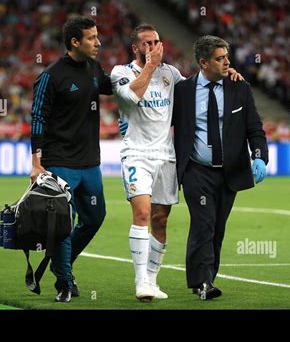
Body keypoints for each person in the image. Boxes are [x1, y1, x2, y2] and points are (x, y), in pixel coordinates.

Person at [111, 25, 243, 302]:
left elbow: (197, 88)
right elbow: (130, 97)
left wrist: (224, 74)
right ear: (135, 47)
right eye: (147, 43)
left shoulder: (171, 74)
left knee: (160, 220)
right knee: (143, 214)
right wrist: (150, 66)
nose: (154, 46)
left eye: (157, 41)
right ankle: (140, 282)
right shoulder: (120, 73)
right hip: (136, 154)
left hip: (167, 157)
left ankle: (152, 281)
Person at [172, 35, 269, 300]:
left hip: (230, 172)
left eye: (227, 57)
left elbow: (254, 128)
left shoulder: (240, 88)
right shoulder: (182, 91)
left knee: (217, 227)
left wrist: (259, 155)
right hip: (196, 169)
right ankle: (204, 282)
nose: (227, 62)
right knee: (204, 223)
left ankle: (202, 279)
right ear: (203, 63)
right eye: (220, 58)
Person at [29, 16, 112, 302]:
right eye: (92, 38)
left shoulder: (94, 69)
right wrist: (36, 163)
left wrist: (148, 68)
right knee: (64, 222)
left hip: (90, 163)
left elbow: (117, 87)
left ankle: (59, 262)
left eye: (97, 37)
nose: (98, 43)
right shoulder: (51, 76)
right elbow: (38, 116)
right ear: (75, 42)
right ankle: (65, 280)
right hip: (59, 161)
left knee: (95, 217)